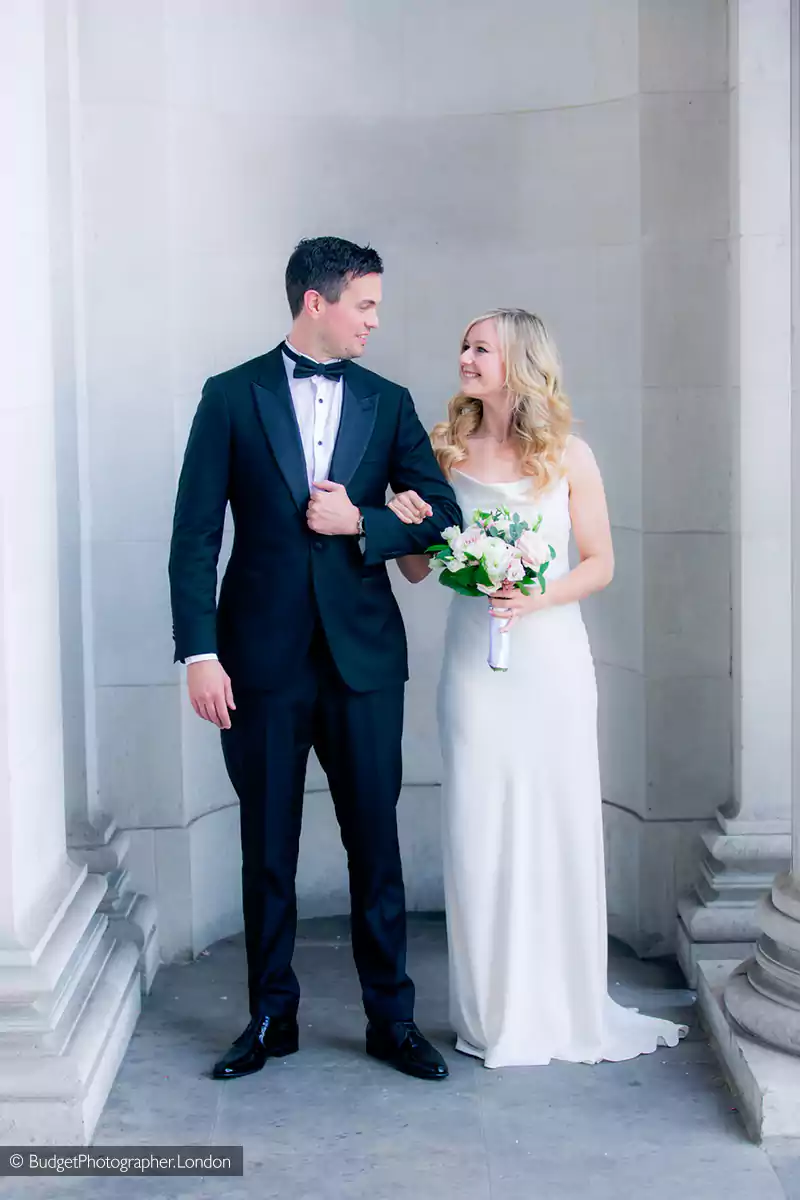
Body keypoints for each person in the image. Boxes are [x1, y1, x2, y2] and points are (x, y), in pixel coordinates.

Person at [168, 236, 461, 1082]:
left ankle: (393, 1020)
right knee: (267, 847)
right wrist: (199, 653)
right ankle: (270, 1017)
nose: (375, 320)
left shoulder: (388, 399)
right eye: (364, 304)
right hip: (256, 663)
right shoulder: (230, 396)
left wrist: (363, 523)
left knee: (377, 845)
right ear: (315, 303)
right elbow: (195, 537)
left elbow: (441, 514)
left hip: (364, 660)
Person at [389, 309, 688, 1067]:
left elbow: (600, 561)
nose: (464, 356)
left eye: (480, 347)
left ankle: (562, 1006)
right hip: (473, 668)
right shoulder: (441, 448)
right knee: (479, 824)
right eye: (462, 344)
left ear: (519, 361)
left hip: (550, 661)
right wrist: (404, 522)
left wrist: (533, 597)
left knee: (554, 822)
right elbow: (419, 569)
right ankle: (493, 1011)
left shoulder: (569, 455)